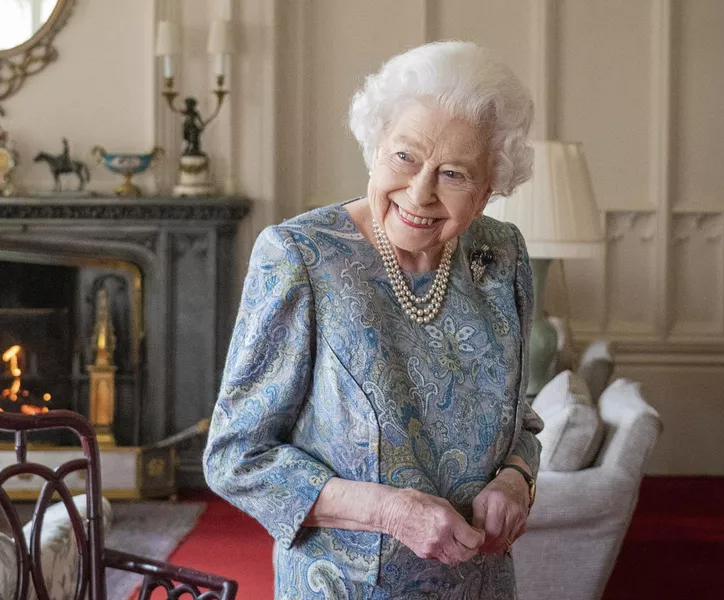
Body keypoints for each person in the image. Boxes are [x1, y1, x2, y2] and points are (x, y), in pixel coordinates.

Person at [204, 41, 543, 599]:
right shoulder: (301, 258)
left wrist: (516, 480)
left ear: (487, 192)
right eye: (405, 157)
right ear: (376, 147)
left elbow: (519, 419)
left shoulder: (500, 256)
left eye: (454, 174)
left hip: (480, 587)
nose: (420, 192)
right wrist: (390, 511)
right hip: (346, 587)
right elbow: (237, 458)